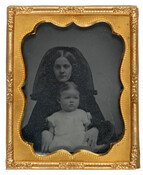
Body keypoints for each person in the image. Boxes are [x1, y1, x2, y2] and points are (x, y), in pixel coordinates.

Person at [22, 47, 116, 153]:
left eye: (66, 66)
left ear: (73, 68)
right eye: (58, 67)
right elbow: (32, 128)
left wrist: (96, 129)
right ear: (52, 69)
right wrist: (43, 132)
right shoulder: (45, 97)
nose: (62, 71)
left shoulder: (85, 96)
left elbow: (101, 121)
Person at [46, 82, 106, 153]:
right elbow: (51, 132)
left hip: (79, 143)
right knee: (58, 148)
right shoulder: (55, 116)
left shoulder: (82, 113)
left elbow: (87, 129)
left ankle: (90, 148)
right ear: (59, 100)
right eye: (67, 97)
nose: (72, 101)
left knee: (84, 148)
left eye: (75, 98)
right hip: (61, 143)